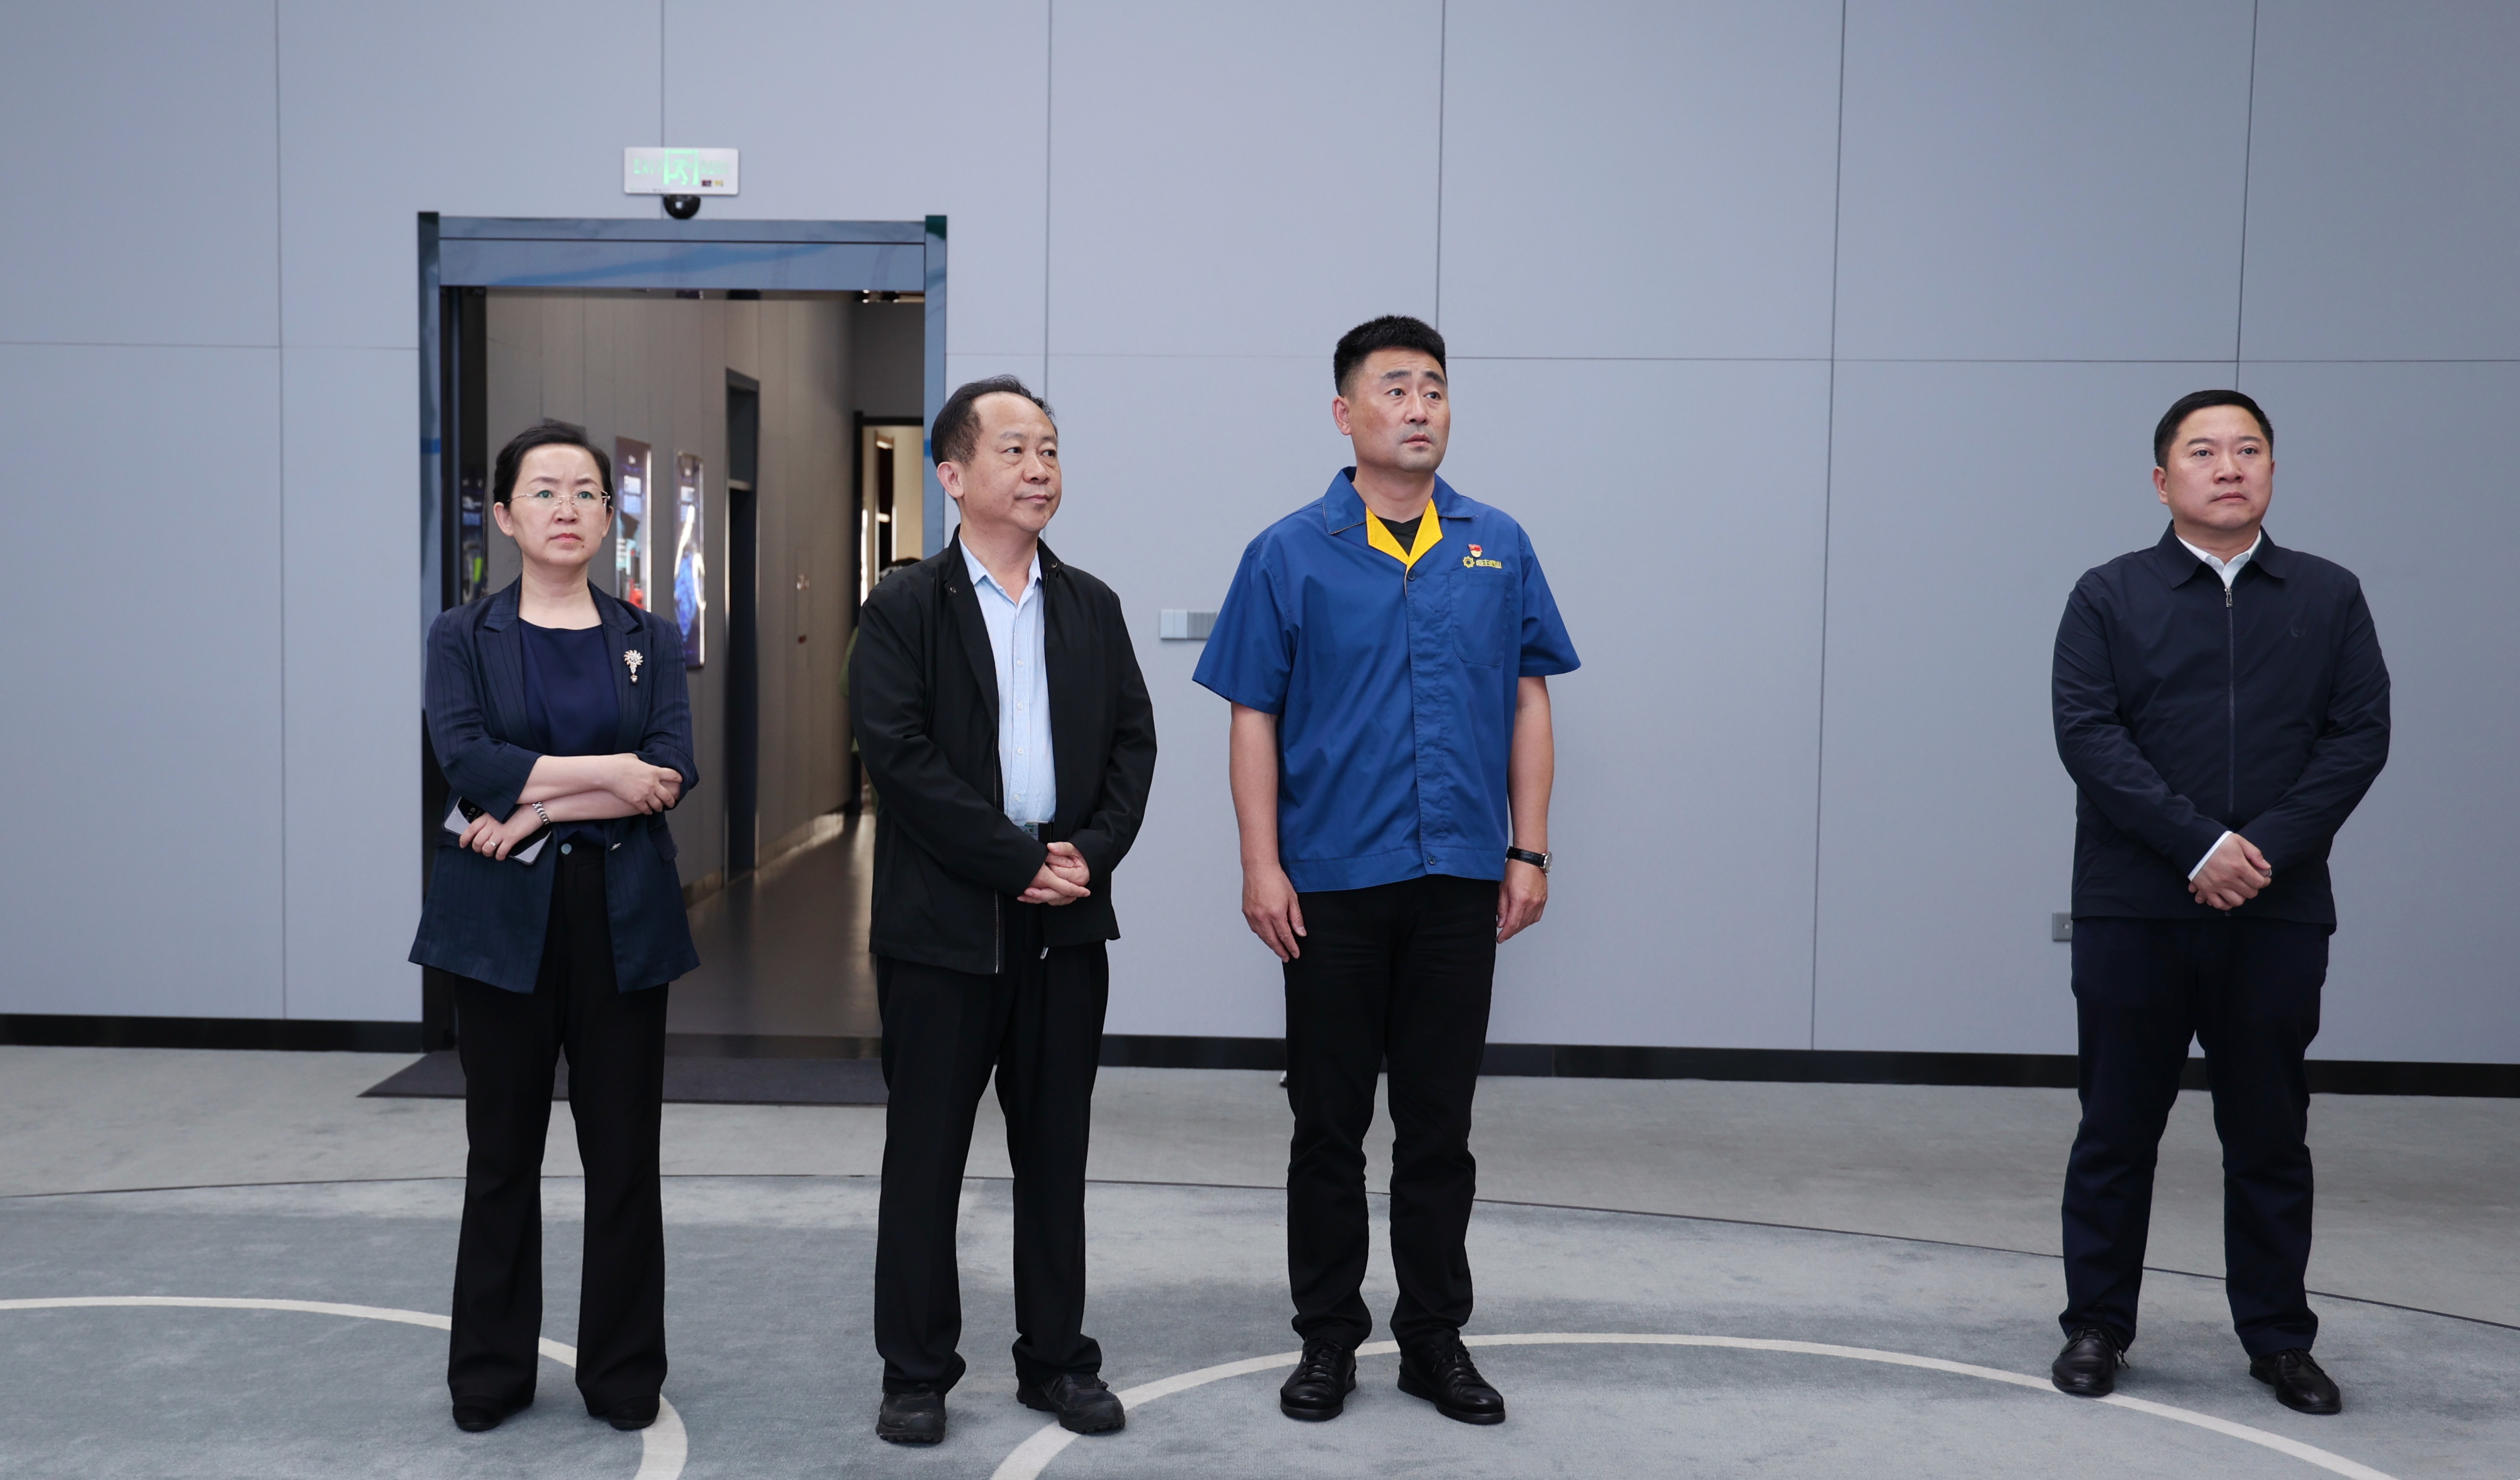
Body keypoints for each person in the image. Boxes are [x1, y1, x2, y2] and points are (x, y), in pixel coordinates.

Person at [1194, 316, 1579, 1427]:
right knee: (1328, 1126)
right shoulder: (1288, 552)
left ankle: (1434, 1339)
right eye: (1397, 388)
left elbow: (1529, 698)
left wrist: (1528, 845)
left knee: (1438, 1127)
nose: (1420, 408)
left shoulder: (1497, 544)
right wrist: (1261, 866)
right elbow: (1254, 716)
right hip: (1330, 884)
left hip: (1459, 877)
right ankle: (1327, 1339)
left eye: (1435, 390)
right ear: (1345, 413)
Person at [2048, 389, 2390, 1415]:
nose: (2229, 466)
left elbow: (2358, 739)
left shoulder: (2329, 595)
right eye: (2203, 452)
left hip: (2276, 909)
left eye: (2249, 449)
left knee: (2271, 1133)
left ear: (2273, 471)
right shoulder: (2108, 595)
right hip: (2134, 907)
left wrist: (2258, 854)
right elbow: (2088, 734)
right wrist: (2197, 845)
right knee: (2116, 1128)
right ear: (2163, 481)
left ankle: (2280, 1339)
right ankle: (2098, 1326)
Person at [849, 376, 1157, 1446]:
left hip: (1063, 922)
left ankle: (1057, 1361)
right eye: (1016, 450)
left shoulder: (1091, 606)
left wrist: (1090, 853)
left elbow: (1133, 746)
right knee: (925, 1157)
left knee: (1056, 1156)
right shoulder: (904, 606)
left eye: (1051, 450)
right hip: (942, 928)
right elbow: (899, 757)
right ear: (952, 474)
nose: (1039, 470)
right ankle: (915, 1372)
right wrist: (1011, 860)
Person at [410, 422, 700, 1435]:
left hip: (622, 919)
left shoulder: (647, 636)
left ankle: (623, 1371)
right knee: (501, 1154)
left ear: (609, 516)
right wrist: (608, 774)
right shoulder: (462, 636)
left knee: (623, 1158)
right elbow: (469, 760)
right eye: (543, 491)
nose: (566, 507)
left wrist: (537, 810)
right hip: (500, 923)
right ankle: (489, 1371)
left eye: (585, 491)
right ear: (504, 516)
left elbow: (670, 770)